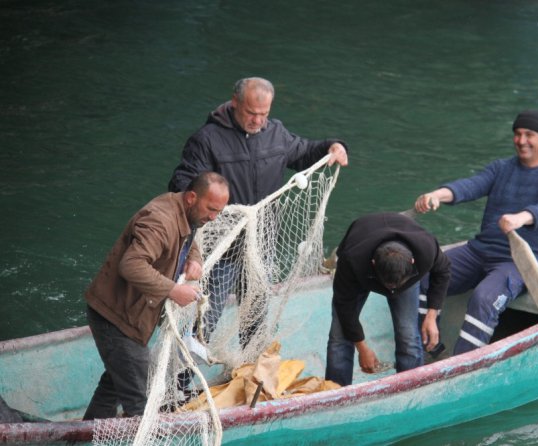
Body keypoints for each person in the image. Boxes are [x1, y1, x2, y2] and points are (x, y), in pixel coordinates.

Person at [167, 76, 349, 347]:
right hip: (220, 247)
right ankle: (181, 381)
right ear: (235, 102)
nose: (258, 120)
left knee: (255, 314)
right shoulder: (206, 140)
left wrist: (332, 146)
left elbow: (304, 153)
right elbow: (182, 184)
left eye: (264, 114)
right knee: (206, 314)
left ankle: (247, 369)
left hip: (260, 246)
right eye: (251, 113)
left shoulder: (276, 133)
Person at [414, 109, 538, 356]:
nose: (521, 141)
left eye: (529, 134)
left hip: (521, 262)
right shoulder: (502, 168)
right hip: (481, 251)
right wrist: (437, 195)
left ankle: (463, 367)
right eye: (517, 134)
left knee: (484, 299)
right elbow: (471, 185)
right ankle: (426, 350)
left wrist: (521, 217)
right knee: (424, 275)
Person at [83, 172, 230, 420]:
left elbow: (188, 235)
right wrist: (173, 290)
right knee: (142, 402)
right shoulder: (160, 220)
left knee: (114, 385)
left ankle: (86, 436)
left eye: (219, 212)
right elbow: (131, 265)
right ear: (192, 197)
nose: (214, 218)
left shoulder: (187, 212)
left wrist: (194, 259)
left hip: (134, 315)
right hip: (117, 318)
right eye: (211, 209)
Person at [325, 212, 451, 386]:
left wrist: (431, 316)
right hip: (361, 268)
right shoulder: (352, 259)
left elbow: (443, 272)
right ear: (374, 264)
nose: (392, 290)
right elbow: (344, 304)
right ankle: (335, 393)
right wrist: (362, 347)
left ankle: (410, 388)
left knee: (408, 335)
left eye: (396, 285)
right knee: (338, 337)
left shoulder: (426, 248)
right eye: (389, 285)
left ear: (413, 261)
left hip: (405, 276)